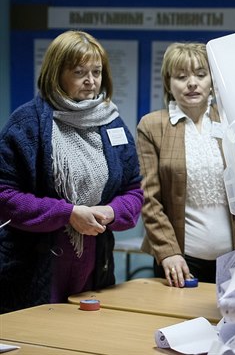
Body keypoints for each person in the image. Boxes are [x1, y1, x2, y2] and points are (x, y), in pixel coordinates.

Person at [0, 30, 143, 313]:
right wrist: (67, 213)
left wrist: (112, 212)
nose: (91, 81)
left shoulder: (112, 124)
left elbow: (133, 190)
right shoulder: (27, 123)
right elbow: (4, 196)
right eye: (80, 72)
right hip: (33, 270)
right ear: (56, 74)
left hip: (94, 269)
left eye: (97, 72)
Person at [136, 42, 235, 287]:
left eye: (201, 75)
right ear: (169, 84)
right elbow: (148, 197)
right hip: (180, 262)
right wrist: (168, 252)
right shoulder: (152, 126)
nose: (192, 83)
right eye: (181, 77)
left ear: (211, 81)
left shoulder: (231, 121)